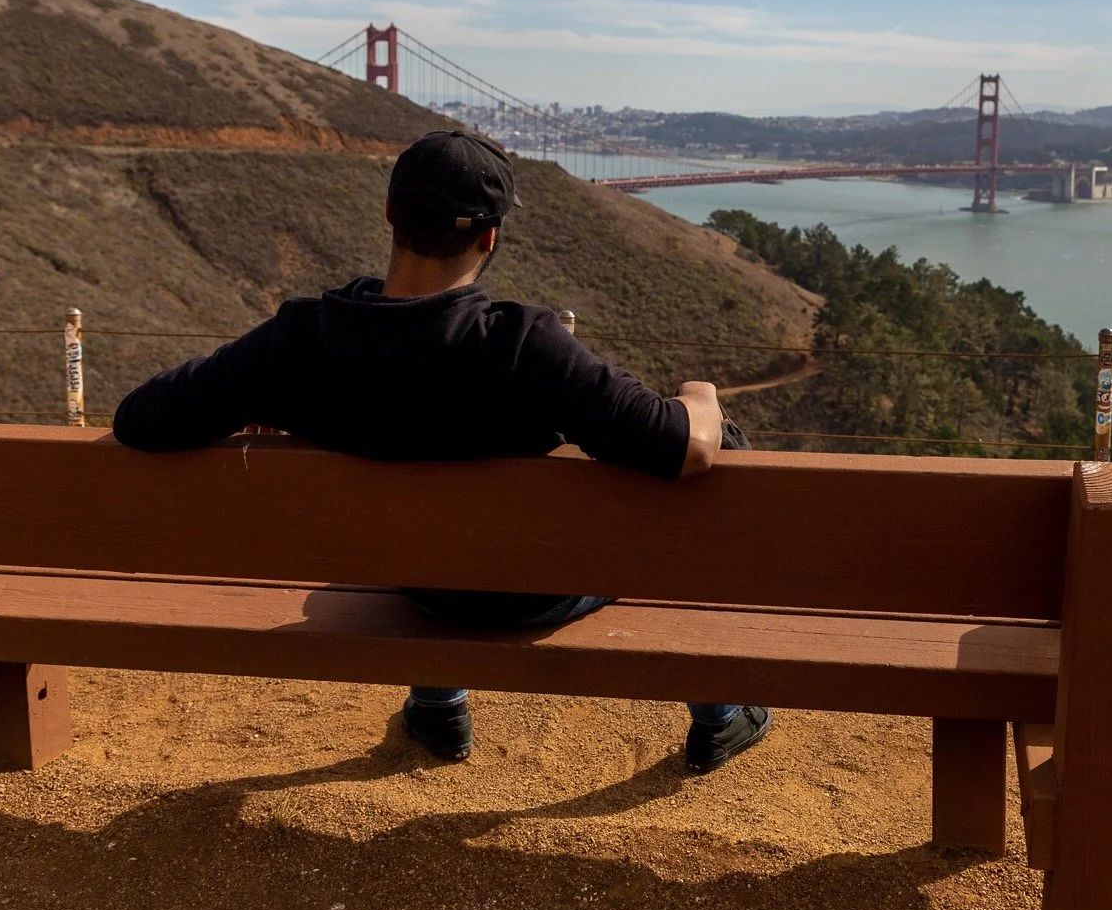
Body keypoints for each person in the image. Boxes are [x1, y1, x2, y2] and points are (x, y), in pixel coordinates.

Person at [112, 129, 770, 773]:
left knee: (425, 533)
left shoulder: (298, 341)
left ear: (390, 212)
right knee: (717, 453)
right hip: (527, 598)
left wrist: (271, 401)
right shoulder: (522, 345)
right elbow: (686, 448)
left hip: (418, 585)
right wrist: (701, 393)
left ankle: (438, 704)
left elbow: (141, 418)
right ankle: (720, 710)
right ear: (490, 236)